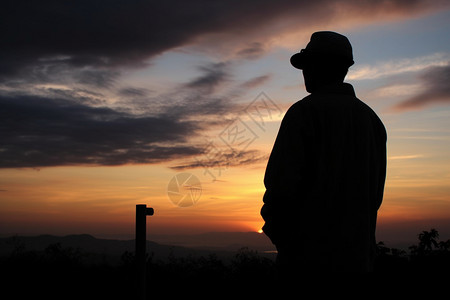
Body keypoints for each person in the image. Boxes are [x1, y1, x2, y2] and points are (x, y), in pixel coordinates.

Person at [261, 31, 387, 273]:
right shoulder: (372, 120)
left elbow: (280, 189)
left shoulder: (303, 113)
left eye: (307, 65)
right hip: (358, 263)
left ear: (319, 66)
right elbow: (375, 196)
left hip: (307, 264)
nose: (304, 73)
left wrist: (287, 244)